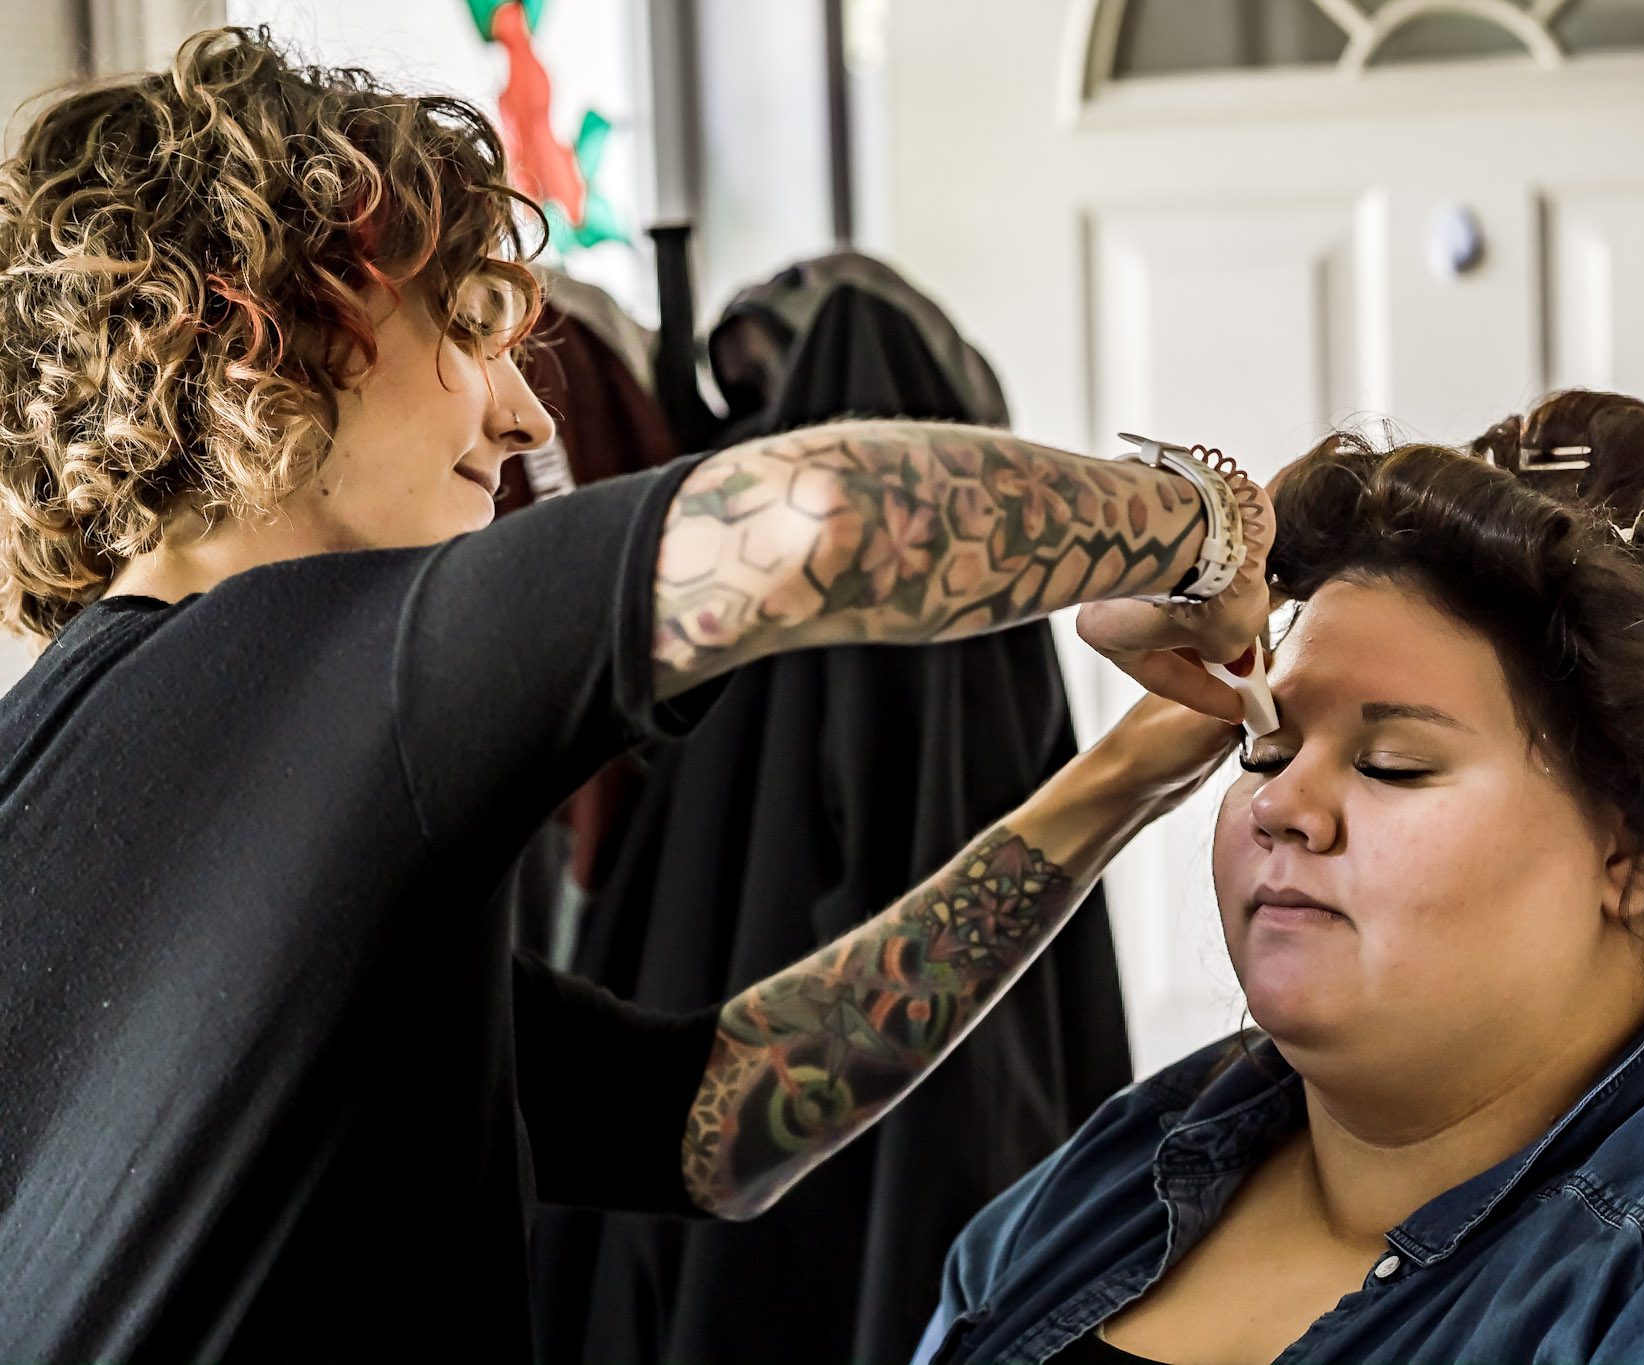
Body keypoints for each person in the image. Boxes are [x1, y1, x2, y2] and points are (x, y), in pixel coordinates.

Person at [0, 29, 1271, 1358]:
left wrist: (1122, 778)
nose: (527, 418)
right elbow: (821, 517)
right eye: (468, 330)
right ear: (289, 321)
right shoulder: (329, 666)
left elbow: (716, 1122)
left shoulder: (78, 767)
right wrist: (1216, 532)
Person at [916, 391, 1644, 1365]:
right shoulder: (1123, 1168)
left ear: (1632, 847)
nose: (1275, 802)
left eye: (1393, 764)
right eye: (1260, 748)